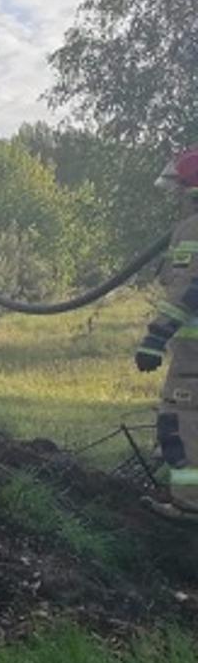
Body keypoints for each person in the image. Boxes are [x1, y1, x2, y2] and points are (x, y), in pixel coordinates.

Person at [134, 148, 198, 522]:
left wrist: (155, 338)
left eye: (178, 188)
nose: (173, 196)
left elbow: (190, 290)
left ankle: (190, 506)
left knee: (179, 421)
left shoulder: (192, 229)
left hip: (194, 361)